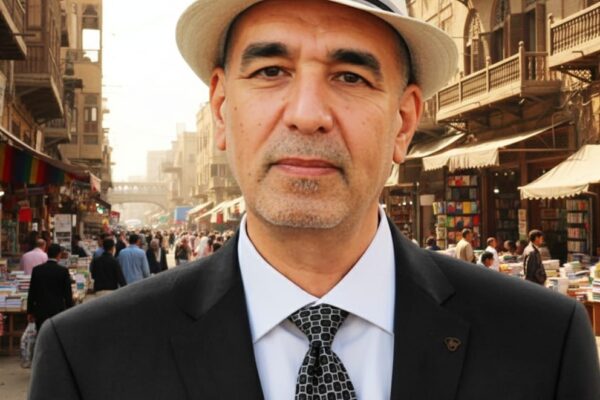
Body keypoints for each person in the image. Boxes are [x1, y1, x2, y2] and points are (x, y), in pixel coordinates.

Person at [29, 1, 599, 399]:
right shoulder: (88, 358)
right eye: (271, 71)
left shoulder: (542, 343)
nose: (307, 114)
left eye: (350, 77)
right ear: (222, 111)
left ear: (403, 122)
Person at [26, 244, 73, 332]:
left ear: (47, 253)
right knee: (56, 334)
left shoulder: (37, 270)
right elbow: (68, 294)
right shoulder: (63, 271)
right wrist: (70, 310)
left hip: (41, 311)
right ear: (59, 255)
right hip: (57, 310)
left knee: (41, 334)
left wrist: (30, 311)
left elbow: (32, 292)